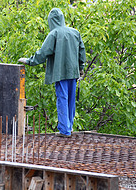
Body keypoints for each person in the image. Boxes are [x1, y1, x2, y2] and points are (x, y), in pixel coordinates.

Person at [18, 8, 86, 137]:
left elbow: (43, 53)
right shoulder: (75, 32)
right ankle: (69, 127)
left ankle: (64, 131)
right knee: (71, 100)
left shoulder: (54, 34)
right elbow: (82, 52)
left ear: (51, 21)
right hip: (73, 72)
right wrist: (81, 67)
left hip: (60, 73)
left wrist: (29, 61)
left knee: (62, 99)